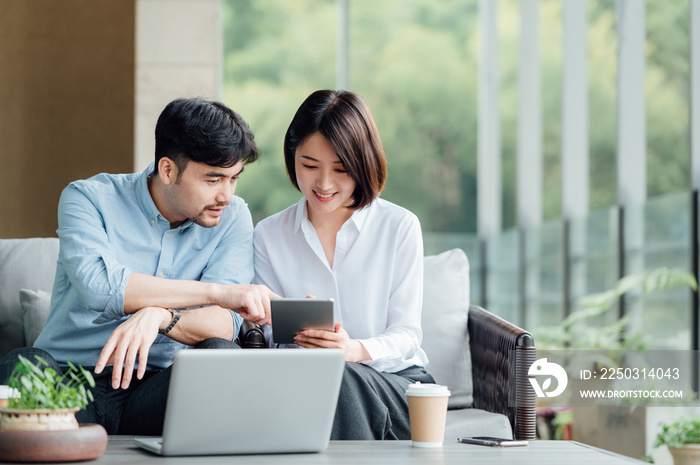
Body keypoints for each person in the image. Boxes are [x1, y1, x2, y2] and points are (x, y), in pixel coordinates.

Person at [0, 98, 276, 435]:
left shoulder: (233, 218)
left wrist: (161, 316)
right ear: (168, 170)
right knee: (23, 365)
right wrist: (219, 292)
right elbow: (101, 287)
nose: (226, 196)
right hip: (68, 380)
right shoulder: (87, 198)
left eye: (234, 179)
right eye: (213, 180)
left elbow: (226, 322)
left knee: (220, 354)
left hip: (156, 390)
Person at [253, 89, 435, 440]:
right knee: (327, 380)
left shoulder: (399, 227)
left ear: (364, 163)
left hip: (397, 385)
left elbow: (407, 335)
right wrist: (300, 331)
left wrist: (351, 351)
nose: (323, 184)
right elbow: (269, 334)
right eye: (309, 166)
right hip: (307, 384)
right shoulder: (269, 234)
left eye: (340, 169)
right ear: (292, 158)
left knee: (340, 376)